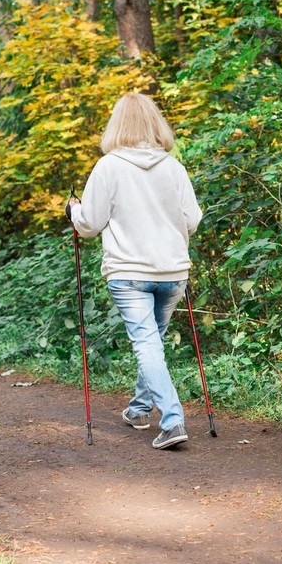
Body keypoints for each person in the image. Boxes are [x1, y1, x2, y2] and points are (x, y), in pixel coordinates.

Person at [67, 93, 203, 450]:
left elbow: (90, 224)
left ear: (118, 124)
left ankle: (172, 421)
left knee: (147, 345)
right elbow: (193, 219)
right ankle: (140, 409)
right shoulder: (173, 167)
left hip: (128, 272)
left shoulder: (109, 166)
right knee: (153, 343)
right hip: (173, 270)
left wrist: (74, 212)